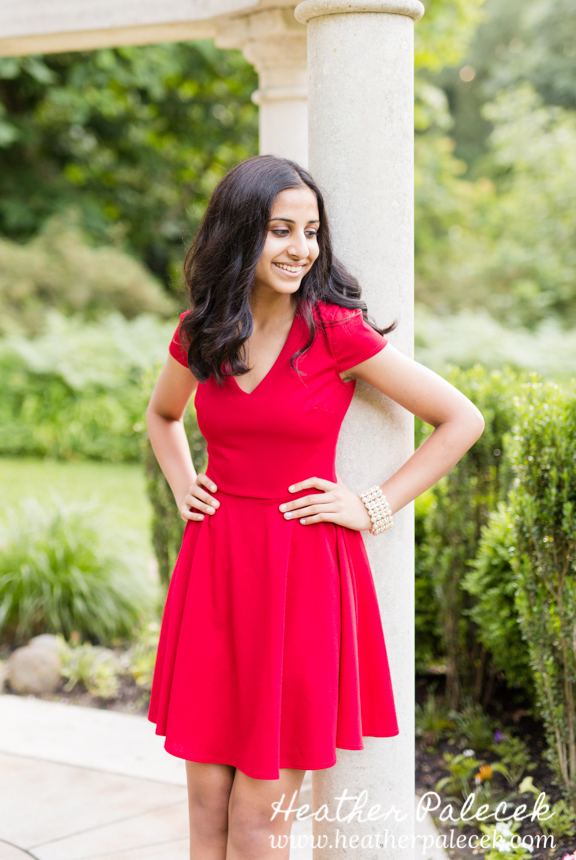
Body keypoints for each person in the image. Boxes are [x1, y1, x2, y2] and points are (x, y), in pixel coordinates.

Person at [145, 155, 485, 860]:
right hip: (215, 572)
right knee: (206, 810)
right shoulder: (203, 331)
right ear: (240, 234)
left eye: (310, 231)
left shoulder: (333, 332)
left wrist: (372, 504)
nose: (301, 247)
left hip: (301, 577)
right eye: (280, 230)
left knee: (259, 820)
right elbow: (162, 416)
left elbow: (459, 420)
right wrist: (184, 485)